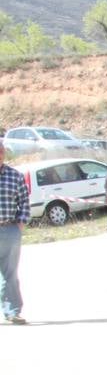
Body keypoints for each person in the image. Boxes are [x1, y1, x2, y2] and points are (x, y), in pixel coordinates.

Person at [0, 135, 30, 324]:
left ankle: (13, 311)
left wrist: (20, 224)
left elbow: (24, 202)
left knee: (10, 274)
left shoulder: (14, 175)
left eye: (1, 151)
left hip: (9, 230)